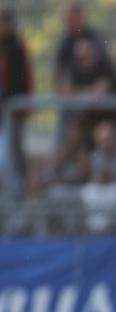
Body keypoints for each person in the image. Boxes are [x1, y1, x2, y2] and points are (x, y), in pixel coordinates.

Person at [0, 7, 33, 194]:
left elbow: (20, 81)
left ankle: (17, 196)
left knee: (13, 157)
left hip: (13, 113)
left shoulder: (17, 48)